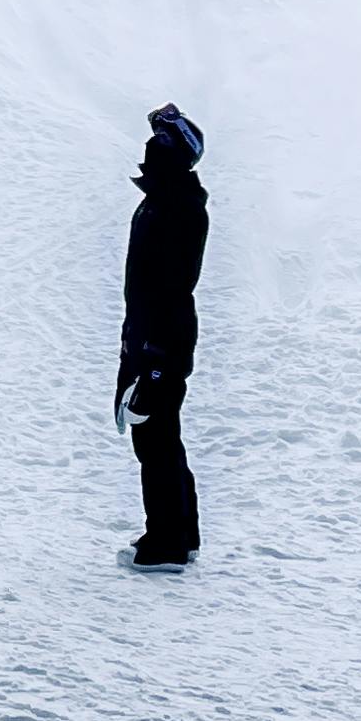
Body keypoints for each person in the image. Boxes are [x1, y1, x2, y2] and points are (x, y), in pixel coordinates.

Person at [114, 104, 209, 567]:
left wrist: (153, 355)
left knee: (155, 437)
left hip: (164, 340)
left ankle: (167, 542)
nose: (150, 148)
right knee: (157, 436)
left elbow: (171, 288)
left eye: (163, 142)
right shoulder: (159, 201)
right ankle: (178, 535)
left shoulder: (179, 206)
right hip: (149, 335)